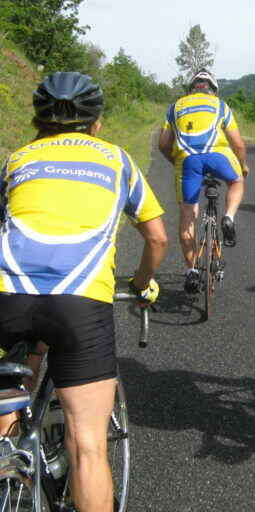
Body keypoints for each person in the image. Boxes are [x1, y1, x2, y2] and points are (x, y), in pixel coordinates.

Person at [0, 72, 167, 512]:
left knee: (7, 405)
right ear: (96, 122)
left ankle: (9, 455)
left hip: (9, 295)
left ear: (38, 120)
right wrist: (140, 283)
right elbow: (157, 238)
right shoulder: (117, 160)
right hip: (80, 302)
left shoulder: (17, 159)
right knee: (88, 445)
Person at [158, 69, 249, 294]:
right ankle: (228, 217)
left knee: (188, 216)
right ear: (214, 89)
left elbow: (163, 143)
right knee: (237, 182)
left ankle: (192, 271)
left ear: (191, 88)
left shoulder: (175, 107)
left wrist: (176, 162)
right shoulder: (220, 105)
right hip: (218, 157)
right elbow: (237, 144)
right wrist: (243, 165)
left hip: (188, 162)